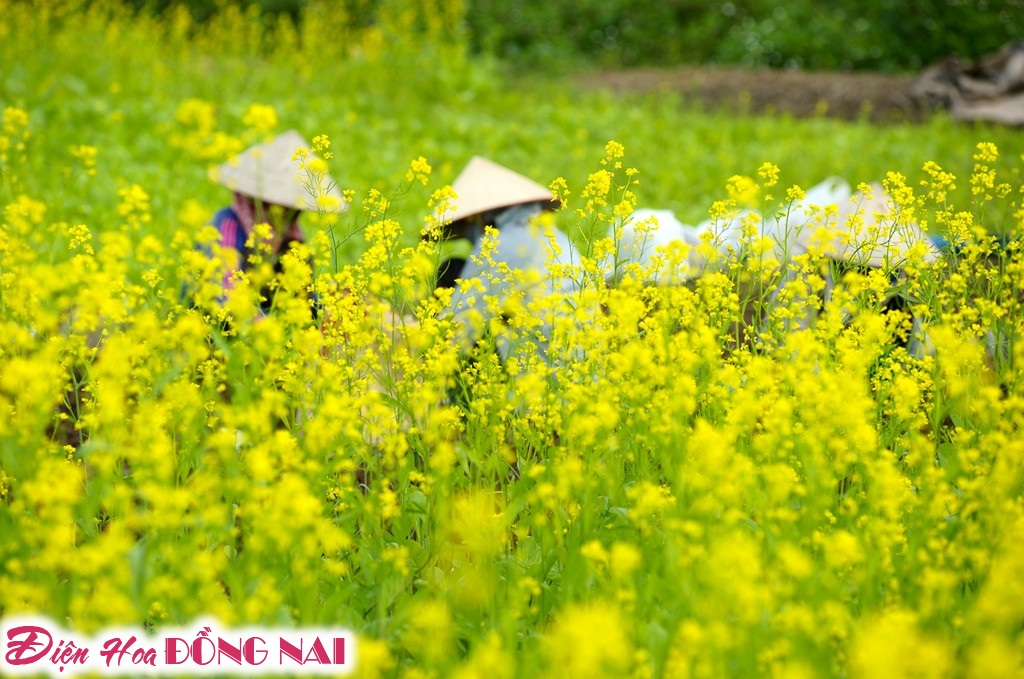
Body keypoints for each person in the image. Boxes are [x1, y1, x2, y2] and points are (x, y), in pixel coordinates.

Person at [200, 129, 346, 314]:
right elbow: (224, 293)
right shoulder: (227, 227)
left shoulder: (293, 240)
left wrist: (330, 309)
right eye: (275, 206)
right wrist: (263, 324)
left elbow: (305, 300)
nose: (283, 213)